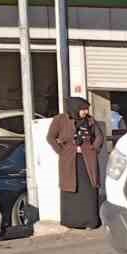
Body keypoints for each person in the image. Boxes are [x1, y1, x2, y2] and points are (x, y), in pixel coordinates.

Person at [46, 97, 102, 229]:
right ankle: (71, 222)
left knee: (88, 188)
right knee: (70, 187)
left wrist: (94, 149)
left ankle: (90, 221)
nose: (85, 112)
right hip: (69, 159)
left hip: (87, 159)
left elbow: (99, 136)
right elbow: (50, 137)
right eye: (83, 109)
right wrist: (61, 151)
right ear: (75, 108)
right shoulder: (60, 119)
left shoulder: (90, 120)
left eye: (86, 109)